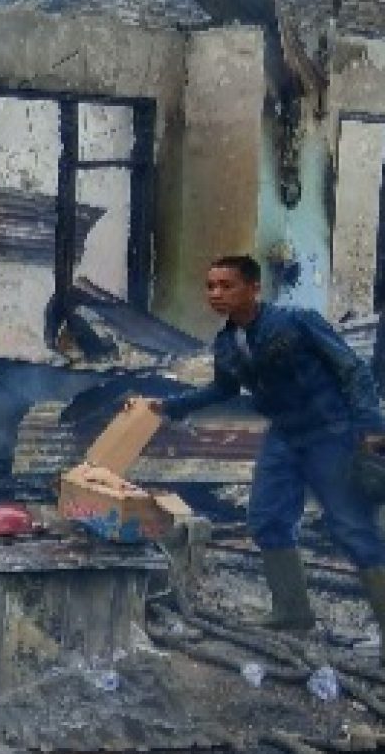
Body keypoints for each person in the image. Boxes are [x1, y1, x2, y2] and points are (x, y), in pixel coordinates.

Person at [147, 255, 385, 649]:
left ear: (254, 288)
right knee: (266, 517)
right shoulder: (226, 343)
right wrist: (172, 406)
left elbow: (352, 370)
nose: (216, 294)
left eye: (227, 286)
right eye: (210, 286)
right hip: (285, 436)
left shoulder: (297, 321)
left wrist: (372, 426)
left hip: (331, 432)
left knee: (352, 528)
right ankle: (292, 614)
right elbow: (223, 389)